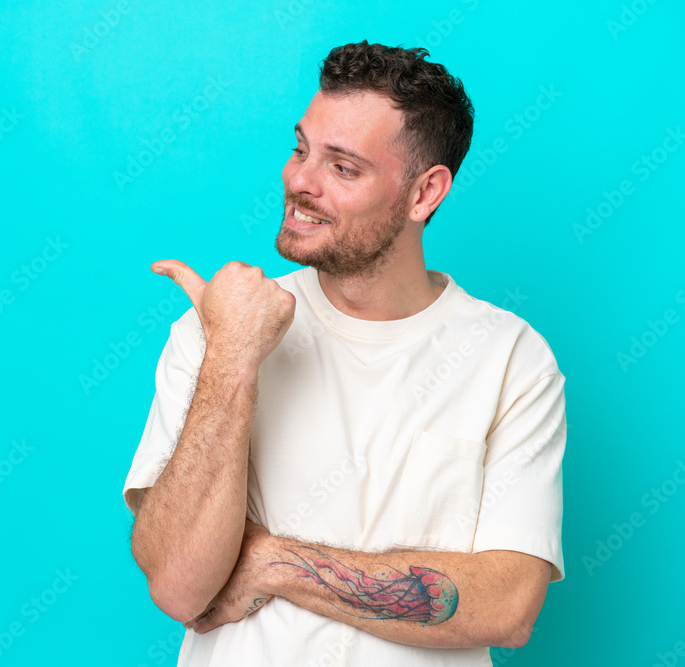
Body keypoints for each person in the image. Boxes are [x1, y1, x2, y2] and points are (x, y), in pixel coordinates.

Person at [123, 41, 566, 666]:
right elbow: (177, 585)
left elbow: (507, 607)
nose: (298, 181)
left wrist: (267, 562)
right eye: (300, 148)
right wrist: (232, 360)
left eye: (343, 167)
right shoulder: (216, 330)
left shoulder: (511, 359)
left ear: (424, 194)